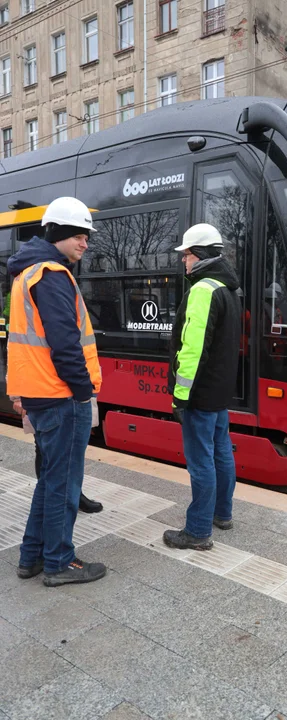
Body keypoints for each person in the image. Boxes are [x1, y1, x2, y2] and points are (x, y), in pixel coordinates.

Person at [7, 197, 106, 586]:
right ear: (60, 233)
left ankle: (30, 557)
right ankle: (59, 562)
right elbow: (65, 344)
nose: (85, 243)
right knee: (64, 483)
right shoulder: (50, 275)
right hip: (61, 394)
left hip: (40, 392)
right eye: (79, 235)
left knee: (50, 479)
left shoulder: (27, 273)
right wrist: (83, 393)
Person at [163, 223, 241, 551]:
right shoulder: (229, 289)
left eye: (187, 255)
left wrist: (181, 396)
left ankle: (197, 531)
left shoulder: (203, 290)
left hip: (200, 395)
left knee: (201, 460)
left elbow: (192, 349)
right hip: (220, 393)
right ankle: (222, 513)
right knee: (221, 452)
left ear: (202, 255)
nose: (183, 261)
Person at [10, 397, 103, 514]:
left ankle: (72, 495)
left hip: (70, 399)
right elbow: (16, 377)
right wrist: (17, 398)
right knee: (44, 450)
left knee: (71, 451)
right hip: (47, 399)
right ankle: (55, 497)